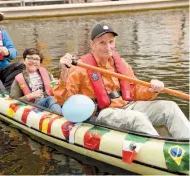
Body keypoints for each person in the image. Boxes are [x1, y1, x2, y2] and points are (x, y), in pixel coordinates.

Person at [53, 22, 190, 138]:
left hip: (128, 105)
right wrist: (64, 73)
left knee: (170, 107)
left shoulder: (121, 63)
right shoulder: (80, 68)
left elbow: (135, 90)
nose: (108, 47)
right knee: (137, 118)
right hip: (103, 113)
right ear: (92, 44)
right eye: (102, 43)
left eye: (111, 42)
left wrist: (151, 88)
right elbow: (63, 101)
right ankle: (160, 151)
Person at [10, 48, 62, 114]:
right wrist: (30, 96)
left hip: (49, 101)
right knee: (50, 99)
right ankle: (61, 118)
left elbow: (55, 88)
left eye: (36, 59)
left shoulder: (46, 73)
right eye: (30, 58)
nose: (33, 61)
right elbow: (13, 101)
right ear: (24, 61)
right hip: (33, 106)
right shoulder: (19, 79)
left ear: (40, 62)